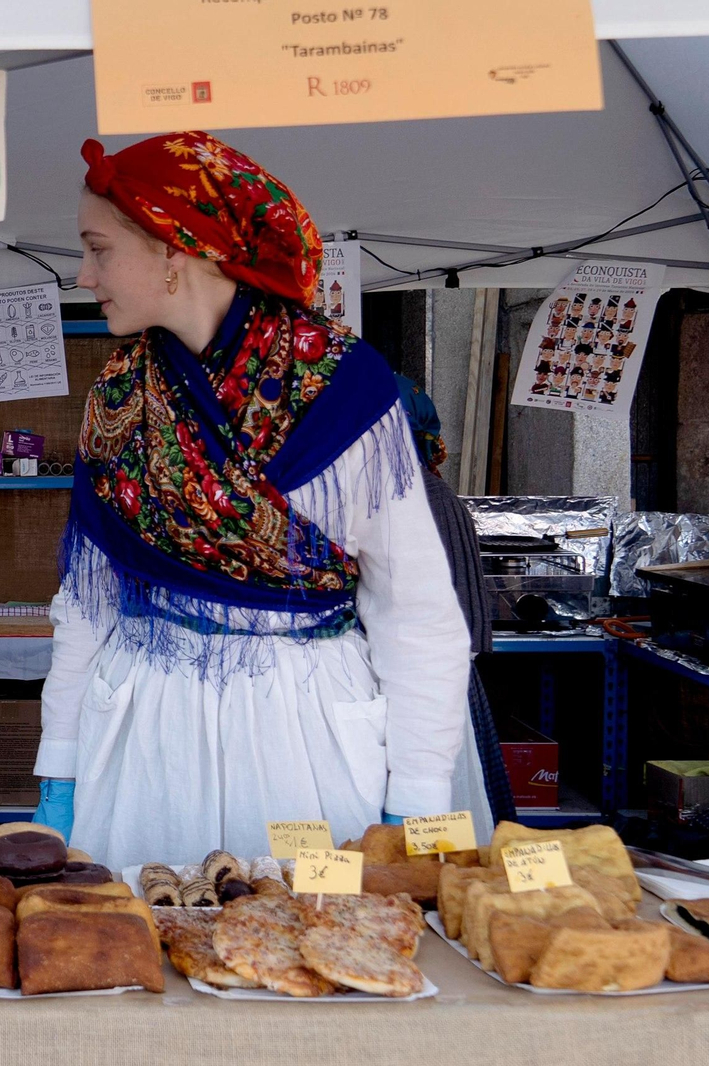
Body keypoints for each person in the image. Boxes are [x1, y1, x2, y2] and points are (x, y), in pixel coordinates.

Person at [30, 132, 473, 868]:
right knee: (139, 947)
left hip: (302, 732)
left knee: (309, 949)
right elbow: (88, 602)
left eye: (98, 249)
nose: (82, 275)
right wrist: (62, 763)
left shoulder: (340, 388)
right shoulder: (116, 397)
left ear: (174, 249)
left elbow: (416, 615)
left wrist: (420, 796)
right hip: (145, 732)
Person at [395, 375, 514, 826]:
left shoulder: (431, 498)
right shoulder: (400, 495)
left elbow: (447, 614)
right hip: (417, 675)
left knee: (445, 810)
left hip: (436, 683)